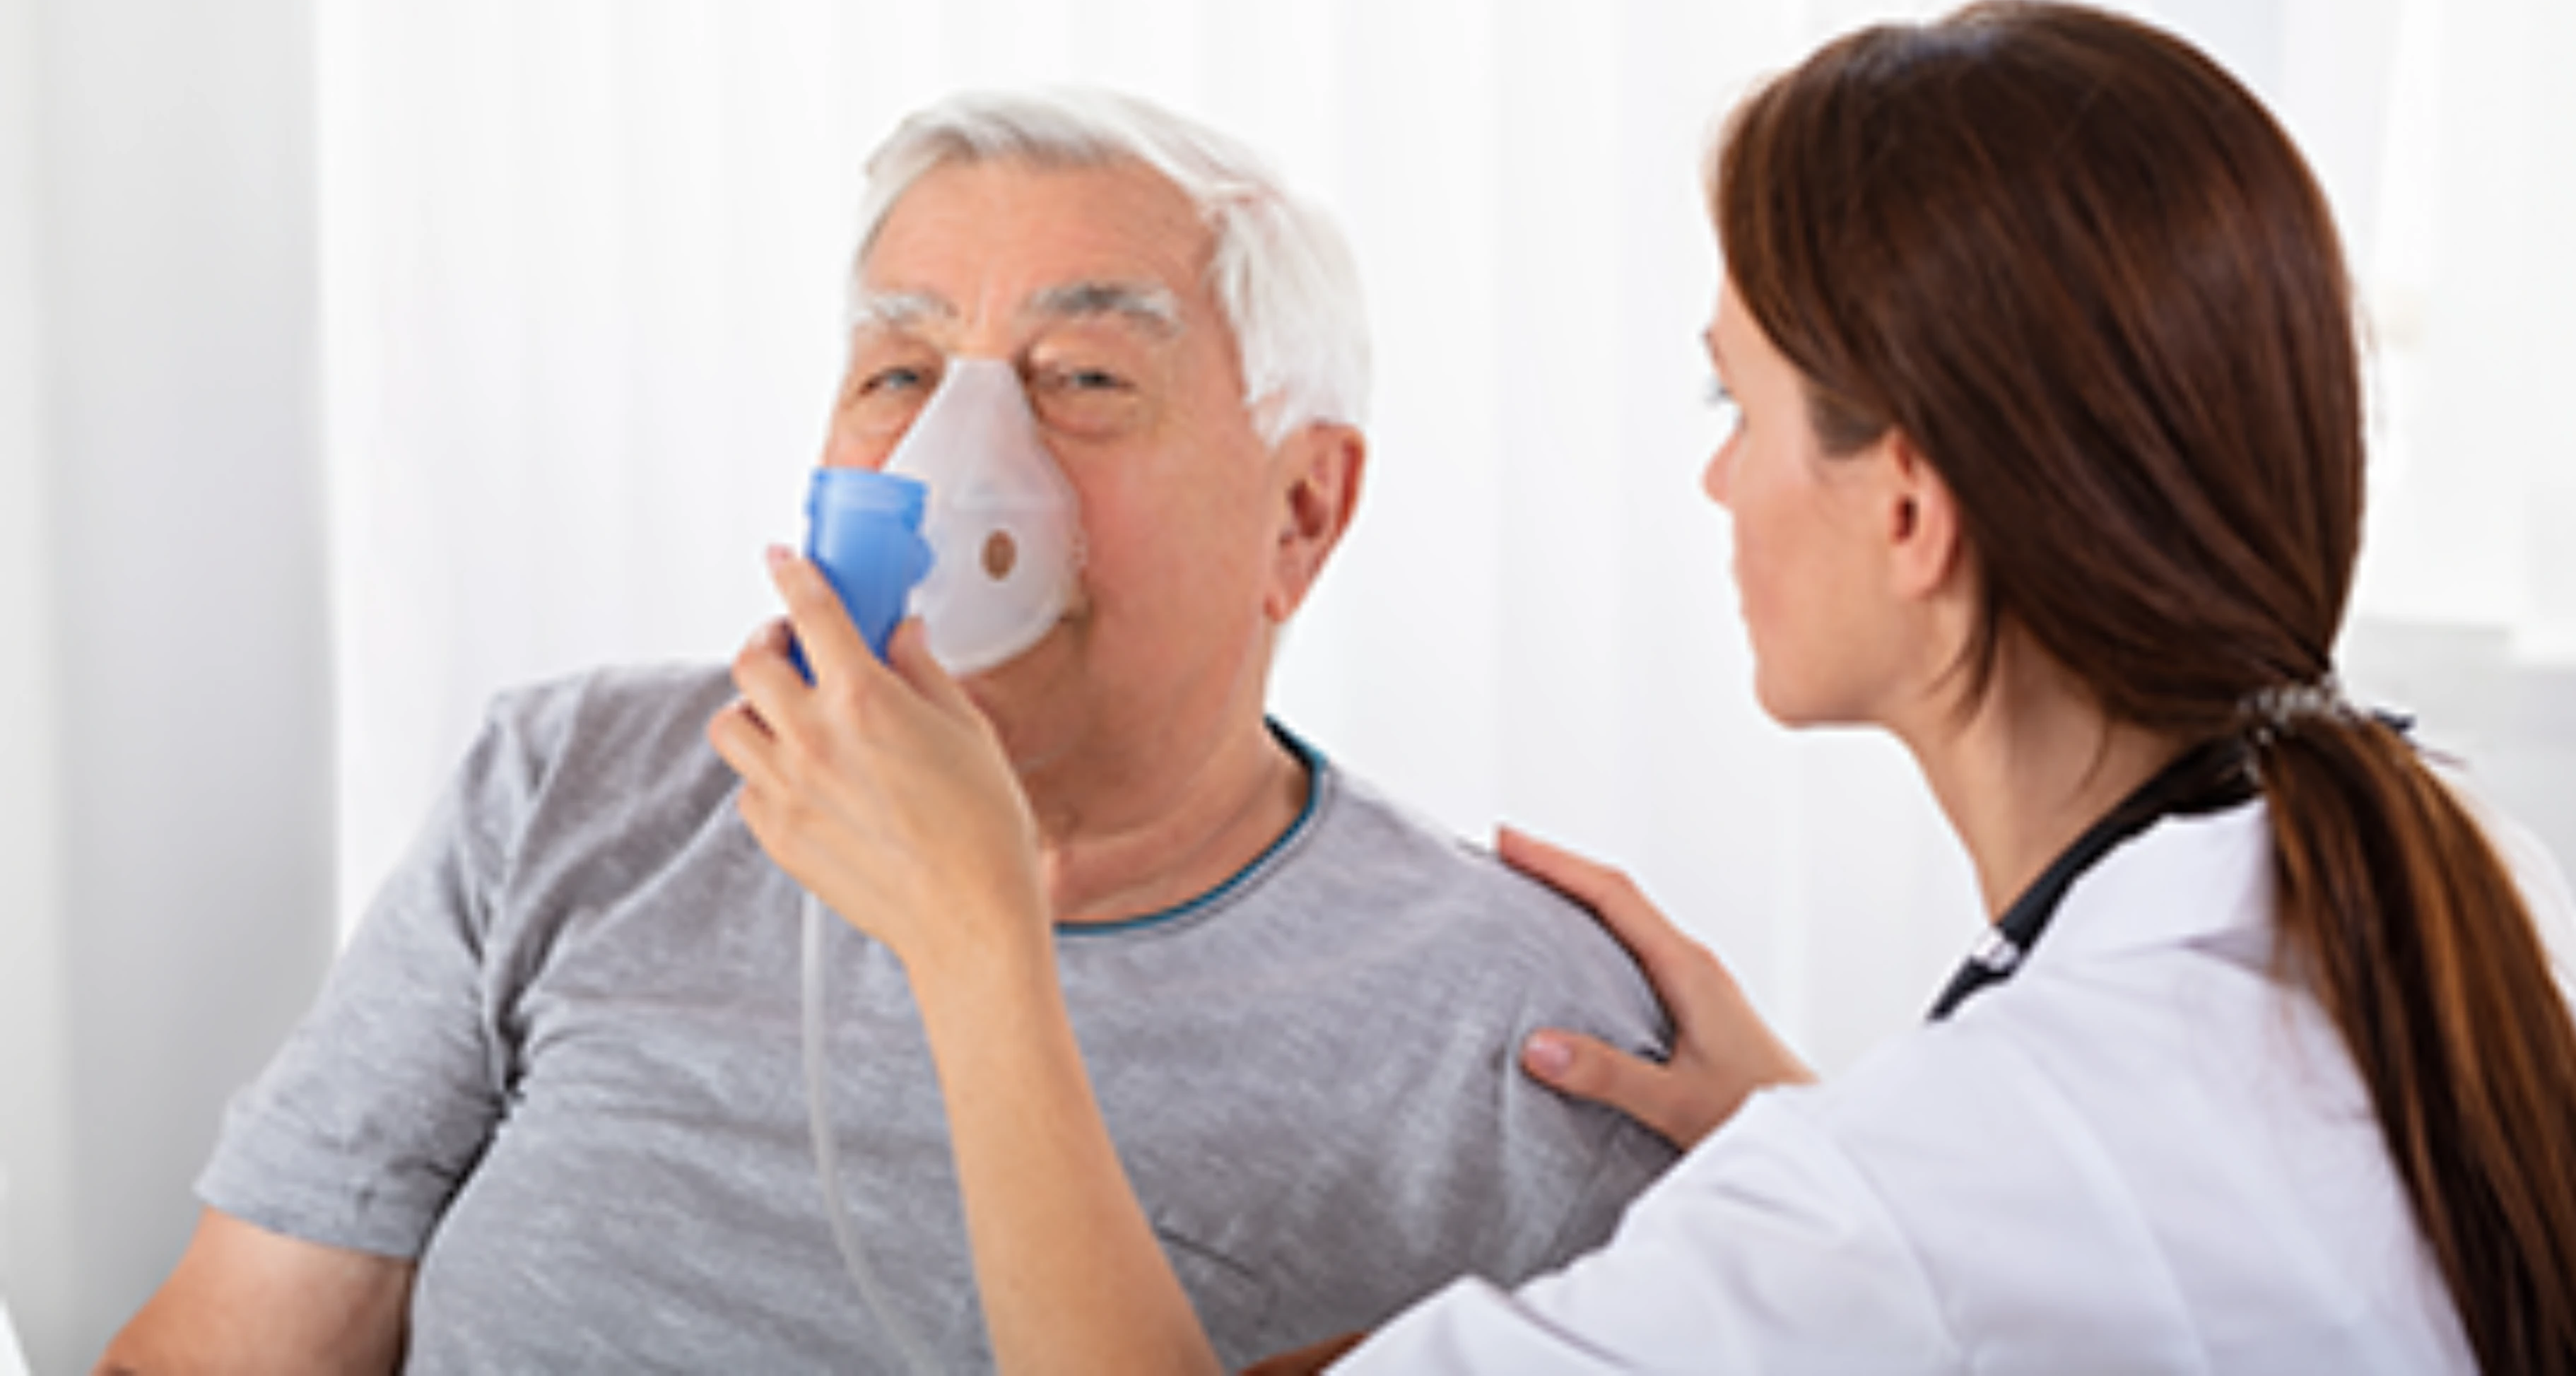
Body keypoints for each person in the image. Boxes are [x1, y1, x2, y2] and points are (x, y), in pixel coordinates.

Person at [731, 0, 2576, 1373]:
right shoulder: (2461, 882)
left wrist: (976, 940)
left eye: (1734, 398)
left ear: (1911, 506)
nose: (1712, 474)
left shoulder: (1930, 1197)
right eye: (903, 362)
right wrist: (1806, 1135)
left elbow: (1977, 1236)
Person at [100, 88, 1678, 1372]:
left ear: (1303, 512)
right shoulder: (576, 795)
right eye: (902, 369)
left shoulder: (1526, 1036)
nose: (956, 459)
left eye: (1083, 378)